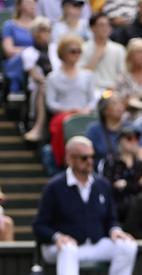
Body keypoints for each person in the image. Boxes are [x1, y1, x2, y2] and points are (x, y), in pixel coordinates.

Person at [32, 136, 139, 275]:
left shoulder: (102, 185)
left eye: (92, 157)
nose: (89, 161)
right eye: (83, 158)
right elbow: (39, 225)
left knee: (127, 245)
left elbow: (111, 218)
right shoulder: (54, 187)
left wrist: (115, 230)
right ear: (70, 159)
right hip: (59, 248)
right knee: (68, 249)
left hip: (95, 244)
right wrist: (57, 236)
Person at [46, 34, 96, 169]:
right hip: (63, 115)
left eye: (79, 51)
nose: (76, 54)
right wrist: (68, 110)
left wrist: (85, 109)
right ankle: (64, 160)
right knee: (61, 124)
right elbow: (51, 103)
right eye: (72, 51)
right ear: (63, 53)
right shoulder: (52, 77)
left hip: (84, 114)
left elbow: (92, 100)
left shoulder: (87, 75)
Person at [20, 17, 59, 143]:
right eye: (41, 30)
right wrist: (50, 82)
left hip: (59, 84)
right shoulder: (28, 52)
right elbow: (35, 75)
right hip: (39, 87)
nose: (45, 34)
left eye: (47, 30)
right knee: (44, 88)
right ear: (34, 33)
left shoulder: (56, 48)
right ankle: (38, 127)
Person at [103, 127, 142, 222]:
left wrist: (127, 185)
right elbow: (110, 188)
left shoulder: (141, 165)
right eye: (129, 138)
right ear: (120, 141)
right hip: (119, 209)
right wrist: (137, 184)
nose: (133, 142)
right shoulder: (111, 163)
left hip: (140, 210)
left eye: (136, 138)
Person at [79, 14, 126, 97]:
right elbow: (81, 76)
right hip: (90, 92)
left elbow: (122, 74)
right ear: (92, 28)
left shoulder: (119, 49)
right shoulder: (82, 48)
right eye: (101, 25)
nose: (105, 28)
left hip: (111, 92)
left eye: (107, 25)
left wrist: (113, 88)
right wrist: (96, 56)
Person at [85, 92, 128, 168]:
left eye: (120, 103)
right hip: (101, 173)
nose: (120, 107)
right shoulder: (94, 130)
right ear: (105, 110)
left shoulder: (130, 128)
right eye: (114, 104)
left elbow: (141, 154)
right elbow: (86, 156)